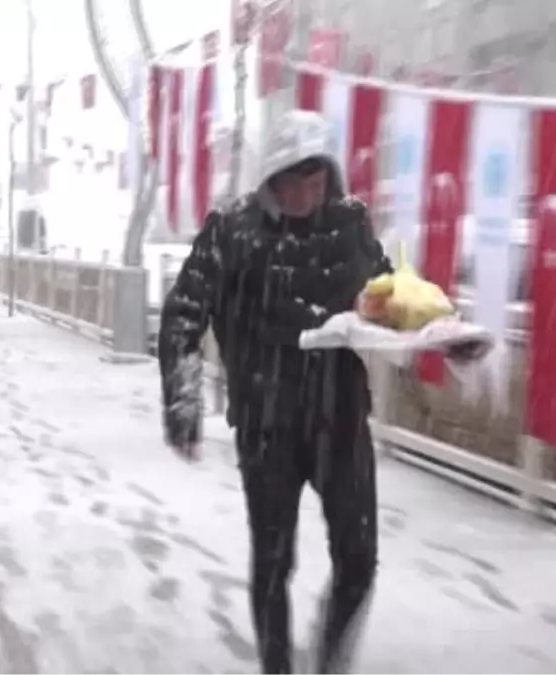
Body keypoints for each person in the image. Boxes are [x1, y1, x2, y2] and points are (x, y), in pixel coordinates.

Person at [157, 110, 392, 675]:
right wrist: (183, 402)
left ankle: (329, 658)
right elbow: (184, 315)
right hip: (267, 423)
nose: (306, 196)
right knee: (273, 561)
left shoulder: (350, 226)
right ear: (270, 178)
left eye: (317, 183)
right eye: (293, 182)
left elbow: (389, 295)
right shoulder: (233, 232)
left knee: (359, 559)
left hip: (340, 419)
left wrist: (439, 335)